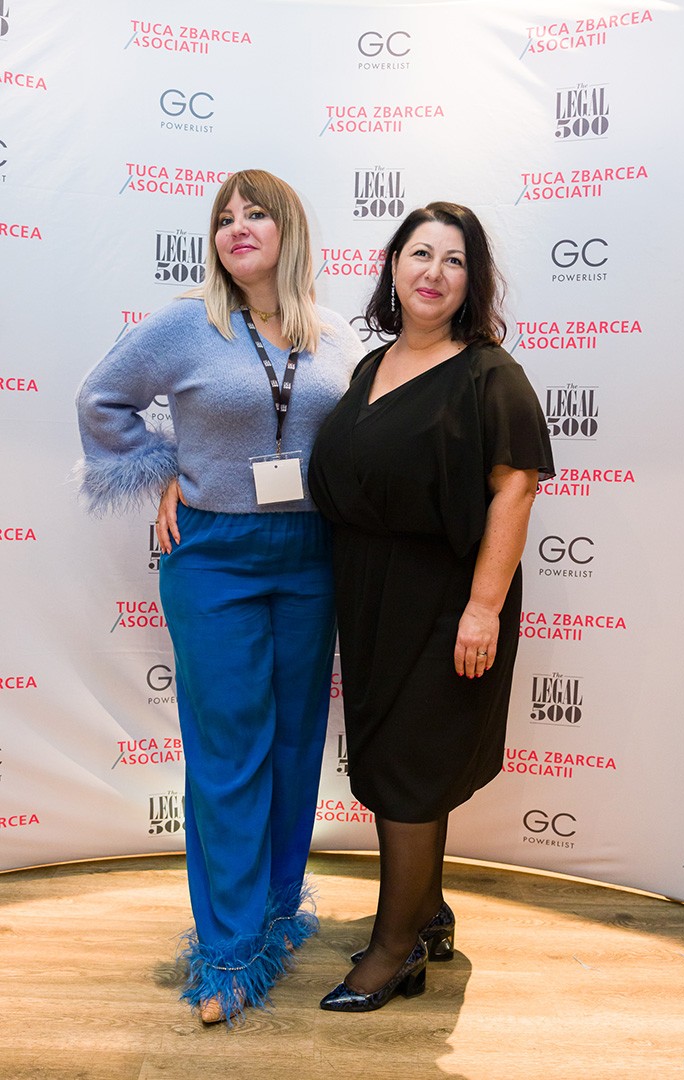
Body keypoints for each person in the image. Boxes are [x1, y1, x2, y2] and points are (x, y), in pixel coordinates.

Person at [76, 169, 364, 1024]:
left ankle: (275, 917)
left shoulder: (335, 336)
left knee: (294, 743)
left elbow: (359, 437)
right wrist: (167, 470)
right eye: (224, 217)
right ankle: (229, 951)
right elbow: (101, 399)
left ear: (289, 231)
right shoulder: (187, 323)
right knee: (230, 748)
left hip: (312, 554)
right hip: (213, 558)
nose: (236, 226)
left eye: (256, 213)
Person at [308, 202, 555, 1012]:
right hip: (370, 595)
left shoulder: (490, 375)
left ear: (470, 281)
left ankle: (396, 948)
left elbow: (515, 489)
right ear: (392, 266)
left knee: (410, 770)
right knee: (394, 757)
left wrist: (484, 609)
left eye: (454, 260)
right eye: (420, 254)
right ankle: (431, 909)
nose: (434, 273)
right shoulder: (370, 366)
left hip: (447, 600)